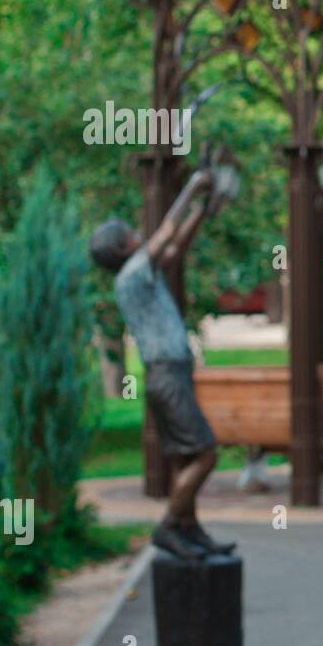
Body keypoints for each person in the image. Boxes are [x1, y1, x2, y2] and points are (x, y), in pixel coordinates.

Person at [90, 147, 241, 560]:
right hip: (167, 375)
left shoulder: (139, 275)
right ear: (124, 247)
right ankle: (171, 526)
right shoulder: (134, 273)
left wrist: (202, 212)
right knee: (207, 454)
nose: (139, 235)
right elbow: (164, 236)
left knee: (185, 458)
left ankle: (190, 531)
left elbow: (176, 247)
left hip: (168, 376)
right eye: (131, 234)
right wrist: (193, 185)